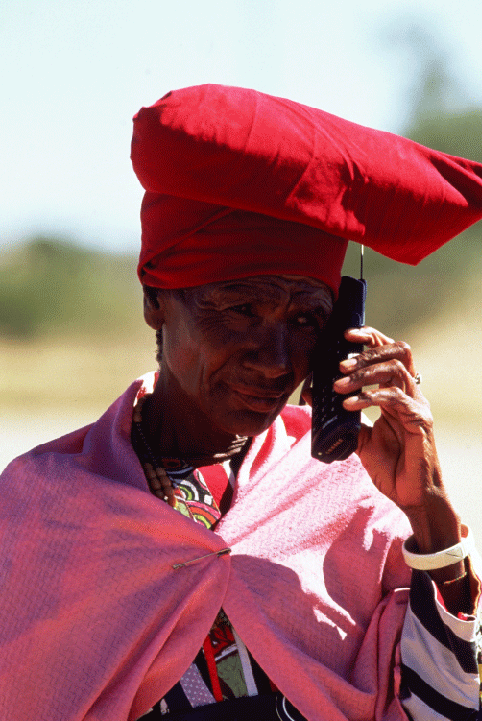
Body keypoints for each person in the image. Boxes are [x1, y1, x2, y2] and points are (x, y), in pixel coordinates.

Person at [1, 85, 482, 721]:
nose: (277, 358)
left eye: (307, 321)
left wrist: (431, 517)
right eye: (240, 309)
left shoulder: (352, 494)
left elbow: (445, 711)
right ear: (155, 299)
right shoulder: (39, 507)